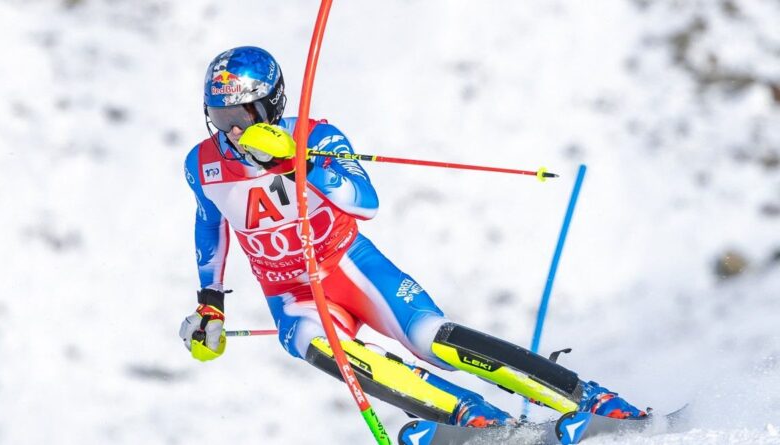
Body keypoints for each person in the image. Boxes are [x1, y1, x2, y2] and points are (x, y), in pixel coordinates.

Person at [179, 46, 646, 428]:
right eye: (219, 117)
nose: (232, 130)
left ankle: (588, 398)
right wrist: (210, 305)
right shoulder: (203, 164)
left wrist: (301, 161)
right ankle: (476, 420)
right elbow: (210, 225)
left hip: (350, 266)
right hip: (290, 291)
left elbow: (365, 201)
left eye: (241, 113)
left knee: (430, 338)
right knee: (316, 345)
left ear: (270, 105)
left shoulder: (315, 135)